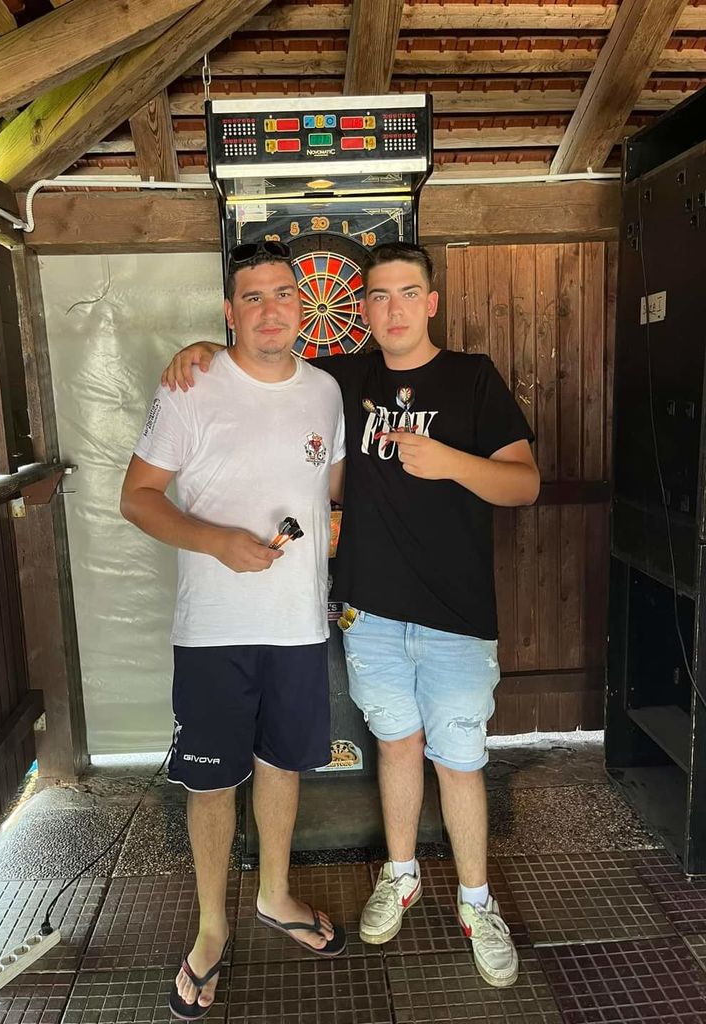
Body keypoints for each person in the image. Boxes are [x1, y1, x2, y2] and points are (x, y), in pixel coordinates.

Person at [160, 241, 540, 989]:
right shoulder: (342, 379)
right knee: (396, 747)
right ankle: (400, 876)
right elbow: (262, 356)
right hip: (370, 611)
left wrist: (450, 462)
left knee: (459, 759)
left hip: (458, 614)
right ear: (360, 309)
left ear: (431, 303)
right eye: (379, 296)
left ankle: (477, 903)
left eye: (408, 293)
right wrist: (202, 349)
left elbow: (525, 484)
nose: (393, 309)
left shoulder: (473, 377)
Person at [121, 241, 347, 1021]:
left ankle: (275, 896)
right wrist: (216, 540)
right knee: (212, 781)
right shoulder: (192, 383)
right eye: (252, 297)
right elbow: (137, 497)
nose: (270, 309)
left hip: (298, 624)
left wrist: (335, 530)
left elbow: (332, 485)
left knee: (282, 763)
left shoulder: (326, 392)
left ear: (302, 306)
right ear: (229, 311)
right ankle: (212, 927)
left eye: (283, 293)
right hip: (213, 629)